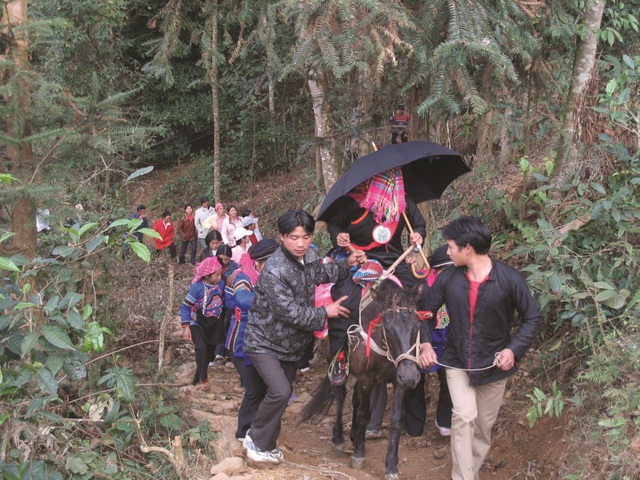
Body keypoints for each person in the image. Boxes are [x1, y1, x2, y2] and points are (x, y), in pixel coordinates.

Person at [418, 217, 542, 480]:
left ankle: (469, 471)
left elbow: (532, 317)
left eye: (451, 246)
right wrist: (426, 343)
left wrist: (513, 350)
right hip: (456, 360)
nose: (447, 251)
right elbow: (425, 312)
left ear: (468, 249)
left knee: (483, 428)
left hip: (494, 366)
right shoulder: (449, 277)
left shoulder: (509, 279)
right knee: (464, 416)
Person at [242, 209, 366, 464]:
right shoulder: (274, 270)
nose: (300, 244)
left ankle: (266, 443)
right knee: (279, 390)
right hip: (263, 340)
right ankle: (254, 438)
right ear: (282, 237)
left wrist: (347, 264)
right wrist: (325, 312)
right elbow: (289, 312)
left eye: (306, 237)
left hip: (291, 344)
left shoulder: (310, 254)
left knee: (282, 394)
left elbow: (318, 275)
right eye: (294, 238)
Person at [326, 167, 426, 385]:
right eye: (385, 184)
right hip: (362, 258)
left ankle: (423, 349)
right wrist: (339, 236)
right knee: (345, 300)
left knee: (421, 293)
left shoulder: (403, 202)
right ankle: (340, 354)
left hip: (395, 260)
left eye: (393, 184)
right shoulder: (354, 203)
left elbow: (419, 225)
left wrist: (418, 235)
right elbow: (334, 225)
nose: (389, 189)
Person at [224, 238, 279, 441]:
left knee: (265, 387)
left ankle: (257, 428)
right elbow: (242, 299)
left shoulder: (275, 279)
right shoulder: (244, 278)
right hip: (241, 341)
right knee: (254, 388)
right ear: (259, 263)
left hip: (263, 343)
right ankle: (243, 430)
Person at [402, 245, 454, 437]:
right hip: (418, 338)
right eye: (444, 270)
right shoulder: (419, 281)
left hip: (448, 338)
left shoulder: (461, 283)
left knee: (450, 379)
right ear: (435, 270)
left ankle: (445, 420)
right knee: (414, 381)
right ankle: (413, 424)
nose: (449, 275)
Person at [180, 256, 225, 391]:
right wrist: (186, 326)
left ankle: (196, 378)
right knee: (201, 348)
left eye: (220, 274)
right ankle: (203, 378)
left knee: (209, 353)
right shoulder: (197, 288)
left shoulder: (221, 284)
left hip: (214, 322)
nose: (219, 277)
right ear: (207, 275)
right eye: (216, 275)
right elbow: (185, 306)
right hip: (197, 322)